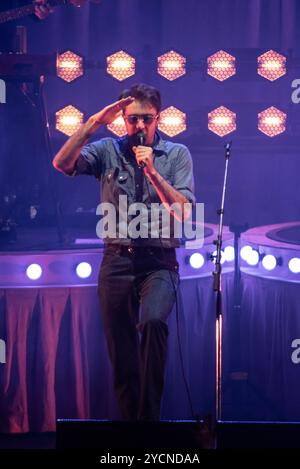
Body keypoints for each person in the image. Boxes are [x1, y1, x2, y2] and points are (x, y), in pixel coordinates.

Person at [53, 83, 195, 421]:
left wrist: (153, 172)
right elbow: (61, 163)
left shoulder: (176, 155)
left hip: (159, 262)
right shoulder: (107, 151)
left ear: (158, 118)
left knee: (153, 322)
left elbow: (185, 211)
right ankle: (133, 431)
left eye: (147, 119)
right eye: (132, 120)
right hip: (116, 261)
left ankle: (149, 424)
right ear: (123, 120)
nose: (140, 126)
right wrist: (94, 122)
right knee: (122, 352)